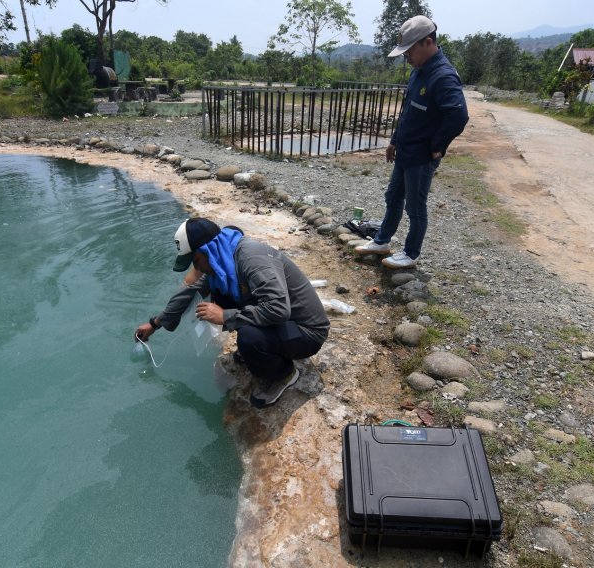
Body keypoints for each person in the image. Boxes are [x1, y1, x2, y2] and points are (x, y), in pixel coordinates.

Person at [135, 217, 330, 408]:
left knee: (249, 337)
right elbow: (189, 292)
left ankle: (283, 375)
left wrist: (225, 316)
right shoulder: (222, 263)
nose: (197, 268)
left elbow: (278, 308)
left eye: (195, 261)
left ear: (207, 250)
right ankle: (266, 348)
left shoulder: (251, 259)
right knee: (220, 296)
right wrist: (155, 324)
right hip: (285, 324)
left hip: (306, 332)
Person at [355, 15, 468, 269]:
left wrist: (437, 146)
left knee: (415, 207)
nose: (406, 57)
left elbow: (458, 115)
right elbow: (408, 112)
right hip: (405, 150)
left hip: (422, 155)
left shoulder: (443, 76)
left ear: (427, 42)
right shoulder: (419, 72)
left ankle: (410, 253)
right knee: (393, 197)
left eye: (409, 51)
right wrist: (394, 140)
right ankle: (382, 240)